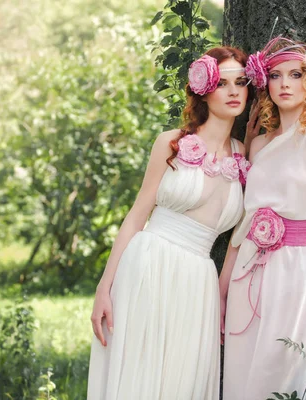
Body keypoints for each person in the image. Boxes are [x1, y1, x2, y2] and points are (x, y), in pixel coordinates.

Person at [87, 46, 254, 400]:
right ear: (204, 89)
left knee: (184, 382)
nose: (234, 90)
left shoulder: (244, 155)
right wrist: (105, 286)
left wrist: (223, 296)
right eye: (222, 83)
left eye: (241, 82)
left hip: (199, 281)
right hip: (150, 264)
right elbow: (136, 216)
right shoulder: (172, 143)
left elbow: (240, 237)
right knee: (140, 374)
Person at [219, 37, 306, 400]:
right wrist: (223, 283)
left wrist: (295, 240)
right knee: (240, 366)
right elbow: (245, 220)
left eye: (295, 74)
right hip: (248, 265)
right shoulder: (261, 144)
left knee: (278, 369)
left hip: (297, 267)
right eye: (276, 75)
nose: (284, 83)